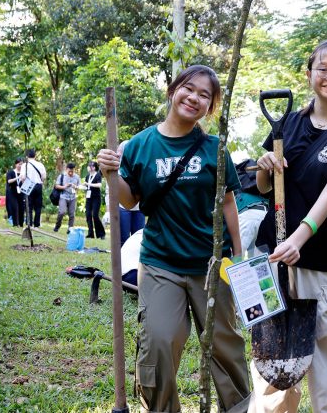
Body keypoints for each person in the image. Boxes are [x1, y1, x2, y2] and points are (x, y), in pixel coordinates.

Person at [96, 64, 250, 413]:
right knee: (160, 341)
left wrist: (238, 256)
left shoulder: (215, 148)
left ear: (210, 108)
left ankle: (237, 409)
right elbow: (129, 199)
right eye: (189, 89)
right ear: (173, 90)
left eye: (204, 96)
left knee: (224, 345)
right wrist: (110, 172)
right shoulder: (139, 145)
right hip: (160, 262)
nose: (194, 98)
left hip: (212, 264)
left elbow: (228, 204)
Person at [249, 40, 327, 412]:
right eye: (323, 68)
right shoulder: (286, 124)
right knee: (273, 367)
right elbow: (264, 188)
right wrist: (264, 165)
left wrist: (298, 239)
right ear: (309, 75)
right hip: (272, 259)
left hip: (320, 262)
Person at [234, 158, 268, 259]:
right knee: (256, 261)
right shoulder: (256, 186)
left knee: (235, 256)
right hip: (265, 215)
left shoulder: (236, 187)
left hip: (248, 215)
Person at [116, 140, 146, 246]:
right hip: (122, 207)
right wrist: (108, 211)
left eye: (120, 152)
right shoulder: (117, 169)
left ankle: (136, 262)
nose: (118, 155)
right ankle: (121, 261)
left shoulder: (139, 165)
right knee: (123, 238)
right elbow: (109, 191)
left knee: (138, 239)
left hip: (139, 208)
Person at [53, 163, 81, 232]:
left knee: (72, 214)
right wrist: (64, 186)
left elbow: (79, 187)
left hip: (73, 197)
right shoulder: (62, 176)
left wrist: (76, 187)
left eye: (72, 171)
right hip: (63, 196)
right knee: (62, 212)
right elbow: (56, 186)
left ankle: (70, 228)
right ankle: (57, 226)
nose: (71, 173)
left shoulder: (77, 177)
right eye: (69, 171)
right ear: (66, 169)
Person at [23, 148, 46, 227]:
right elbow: (44, 176)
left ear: (27, 156)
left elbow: (22, 177)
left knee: (29, 205)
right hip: (38, 185)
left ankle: (29, 223)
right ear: (35, 155)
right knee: (38, 206)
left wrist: (24, 184)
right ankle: (37, 224)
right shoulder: (40, 164)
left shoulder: (25, 165)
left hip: (29, 184)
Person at [84, 161, 106, 239]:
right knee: (88, 215)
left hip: (96, 198)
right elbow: (86, 187)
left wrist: (89, 184)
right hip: (88, 198)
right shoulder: (88, 176)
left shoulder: (98, 175)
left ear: (93, 167)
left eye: (89, 166)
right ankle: (90, 234)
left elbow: (99, 185)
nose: (88, 167)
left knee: (95, 215)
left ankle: (101, 234)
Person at [5, 158, 24, 226]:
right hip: (12, 192)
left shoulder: (23, 173)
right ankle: (15, 224)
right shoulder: (11, 172)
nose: (20, 166)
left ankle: (21, 224)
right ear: (16, 164)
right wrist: (17, 178)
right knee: (15, 207)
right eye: (19, 164)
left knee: (21, 208)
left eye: (22, 164)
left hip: (21, 192)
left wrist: (23, 179)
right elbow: (9, 181)